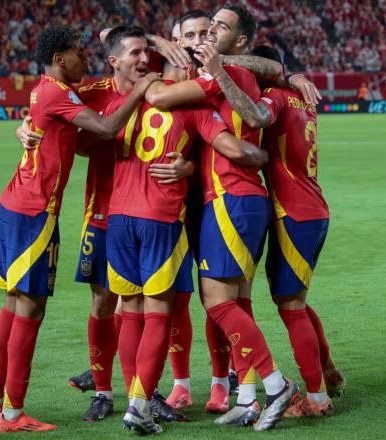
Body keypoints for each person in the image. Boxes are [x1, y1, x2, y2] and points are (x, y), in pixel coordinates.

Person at [0, 26, 158, 433]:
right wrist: (140, 91)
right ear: (60, 59)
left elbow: (47, 120)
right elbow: (107, 129)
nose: (84, 59)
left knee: (13, 302)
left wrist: (24, 125)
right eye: (77, 53)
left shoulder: (46, 88)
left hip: (16, 205)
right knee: (30, 308)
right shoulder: (60, 90)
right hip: (35, 211)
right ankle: (12, 413)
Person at [144, 4, 299, 431]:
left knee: (217, 301)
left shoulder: (221, 77)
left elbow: (157, 96)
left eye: (216, 28)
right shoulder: (227, 74)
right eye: (204, 28)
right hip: (235, 198)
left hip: (231, 198)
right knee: (235, 301)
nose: (207, 34)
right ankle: (247, 397)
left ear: (237, 42)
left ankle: (275, 383)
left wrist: (166, 67)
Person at [106, 49, 269, 435]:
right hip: (160, 220)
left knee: (129, 311)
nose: (191, 69)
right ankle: (139, 405)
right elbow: (231, 147)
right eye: (184, 65)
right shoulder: (195, 109)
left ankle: (136, 396)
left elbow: (89, 136)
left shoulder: (121, 102)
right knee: (160, 312)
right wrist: (260, 155)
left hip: (117, 219)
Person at [197, 43, 346, 418]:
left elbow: (257, 116)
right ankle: (328, 372)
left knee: (291, 308)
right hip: (311, 208)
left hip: (293, 211)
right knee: (295, 300)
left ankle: (314, 397)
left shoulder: (276, 98)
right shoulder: (301, 99)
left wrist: (221, 74)